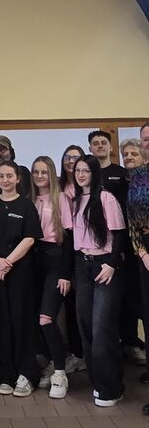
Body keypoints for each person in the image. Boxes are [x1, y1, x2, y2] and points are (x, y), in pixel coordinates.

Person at [60, 155, 126, 407]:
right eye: (78, 170)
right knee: (86, 326)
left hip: (105, 265)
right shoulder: (75, 201)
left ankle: (112, 388)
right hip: (82, 266)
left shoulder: (106, 198)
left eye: (86, 170)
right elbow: (70, 240)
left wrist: (111, 264)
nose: (80, 174)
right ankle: (98, 382)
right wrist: (66, 273)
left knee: (102, 328)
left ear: (94, 173)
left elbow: (120, 235)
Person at [0, 161, 42, 398]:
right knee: (2, 323)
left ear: (18, 178)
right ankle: (6, 375)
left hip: (20, 271)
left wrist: (7, 262)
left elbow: (30, 238)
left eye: (10, 176)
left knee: (22, 322)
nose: (5, 180)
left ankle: (27, 374)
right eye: (1, 176)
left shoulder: (26, 205)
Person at [87, 130, 142, 365]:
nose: (100, 146)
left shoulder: (123, 173)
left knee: (130, 295)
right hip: (98, 247)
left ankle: (130, 342)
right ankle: (111, 347)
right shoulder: (88, 174)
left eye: (103, 143)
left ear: (110, 148)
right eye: (95, 143)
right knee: (106, 301)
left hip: (129, 242)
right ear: (90, 148)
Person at [30, 156, 71, 399]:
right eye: (36, 172)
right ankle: (48, 364)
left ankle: (60, 373)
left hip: (56, 259)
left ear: (51, 174)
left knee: (47, 318)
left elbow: (68, 239)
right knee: (34, 318)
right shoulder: (29, 199)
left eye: (44, 172)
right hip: (33, 259)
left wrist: (65, 273)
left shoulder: (61, 198)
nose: (39, 176)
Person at [56, 145, 86, 373]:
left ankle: (83, 353)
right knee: (68, 303)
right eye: (67, 156)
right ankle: (75, 351)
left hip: (84, 249)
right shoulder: (58, 186)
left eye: (75, 157)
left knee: (82, 305)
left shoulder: (85, 186)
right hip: (62, 248)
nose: (70, 160)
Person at [122, 139, 149, 384]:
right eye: (126, 154)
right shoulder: (132, 182)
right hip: (141, 251)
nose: (129, 156)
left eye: (134, 153)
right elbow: (132, 222)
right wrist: (142, 251)